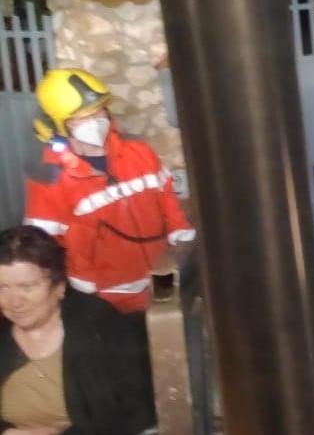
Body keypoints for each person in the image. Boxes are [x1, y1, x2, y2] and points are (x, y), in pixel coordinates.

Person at [23, 68, 195, 314]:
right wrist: (79, 289)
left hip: (161, 278)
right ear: (59, 125)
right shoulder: (50, 178)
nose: (95, 122)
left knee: (168, 338)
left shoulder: (138, 152)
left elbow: (167, 196)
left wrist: (182, 234)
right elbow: (43, 246)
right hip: (107, 298)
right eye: (82, 117)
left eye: (99, 111)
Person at [0, 226, 154, 435]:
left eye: (27, 287)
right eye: (2, 288)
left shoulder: (99, 324)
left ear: (59, 287)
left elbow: (140, 405)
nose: (14, 302)